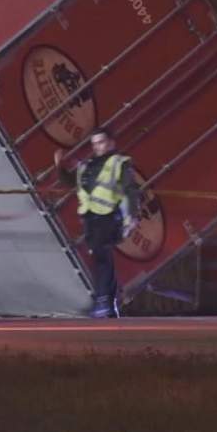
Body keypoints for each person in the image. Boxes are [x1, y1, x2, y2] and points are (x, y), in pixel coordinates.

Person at [56, 128, 140, 319]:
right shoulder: (87, 165)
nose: (97, 147)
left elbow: (130, 190)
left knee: (102, 258)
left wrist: (131, 216)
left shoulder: (119, 163)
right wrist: (59, 167)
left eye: (101, 142)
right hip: (90, 218)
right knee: (103, 258)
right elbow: (71, 182)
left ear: (111, 143)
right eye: (94, 144)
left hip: (109, 217)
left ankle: (103, 301)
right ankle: (108, 303)